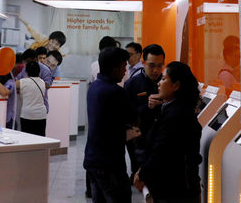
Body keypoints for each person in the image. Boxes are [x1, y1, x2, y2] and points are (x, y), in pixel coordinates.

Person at [133, 62, 203, 203]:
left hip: (175, 192)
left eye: (164, 79)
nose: (159, 82)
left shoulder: (177, 116)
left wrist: (142, 174)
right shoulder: (171, 110)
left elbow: (161, 151)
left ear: (176, 86)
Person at [84, 46, 136, 203]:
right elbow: (131, 121)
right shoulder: (116, 92)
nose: (125, 71)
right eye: (123, 66)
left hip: (93, 159)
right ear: (114, 68)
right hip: (110, 163)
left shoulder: (94, 87)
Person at [124, 43, 166, 181]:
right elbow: (127, 116)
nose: (156, 70)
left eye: (160, 66)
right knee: (141, 179)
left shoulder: (167, 83)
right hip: (139, 141)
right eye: (152, 65)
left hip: (161, 140)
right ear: (143, 63)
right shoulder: (132, 84)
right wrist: (146, 106)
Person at [17, 61, 47, 136]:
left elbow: (9, 87)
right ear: (39, 71)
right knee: (40, 139)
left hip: (27, 114)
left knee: (28, 140)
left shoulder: (22, 82)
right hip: (41, 115)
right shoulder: (42, 82)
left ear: (26, 71)